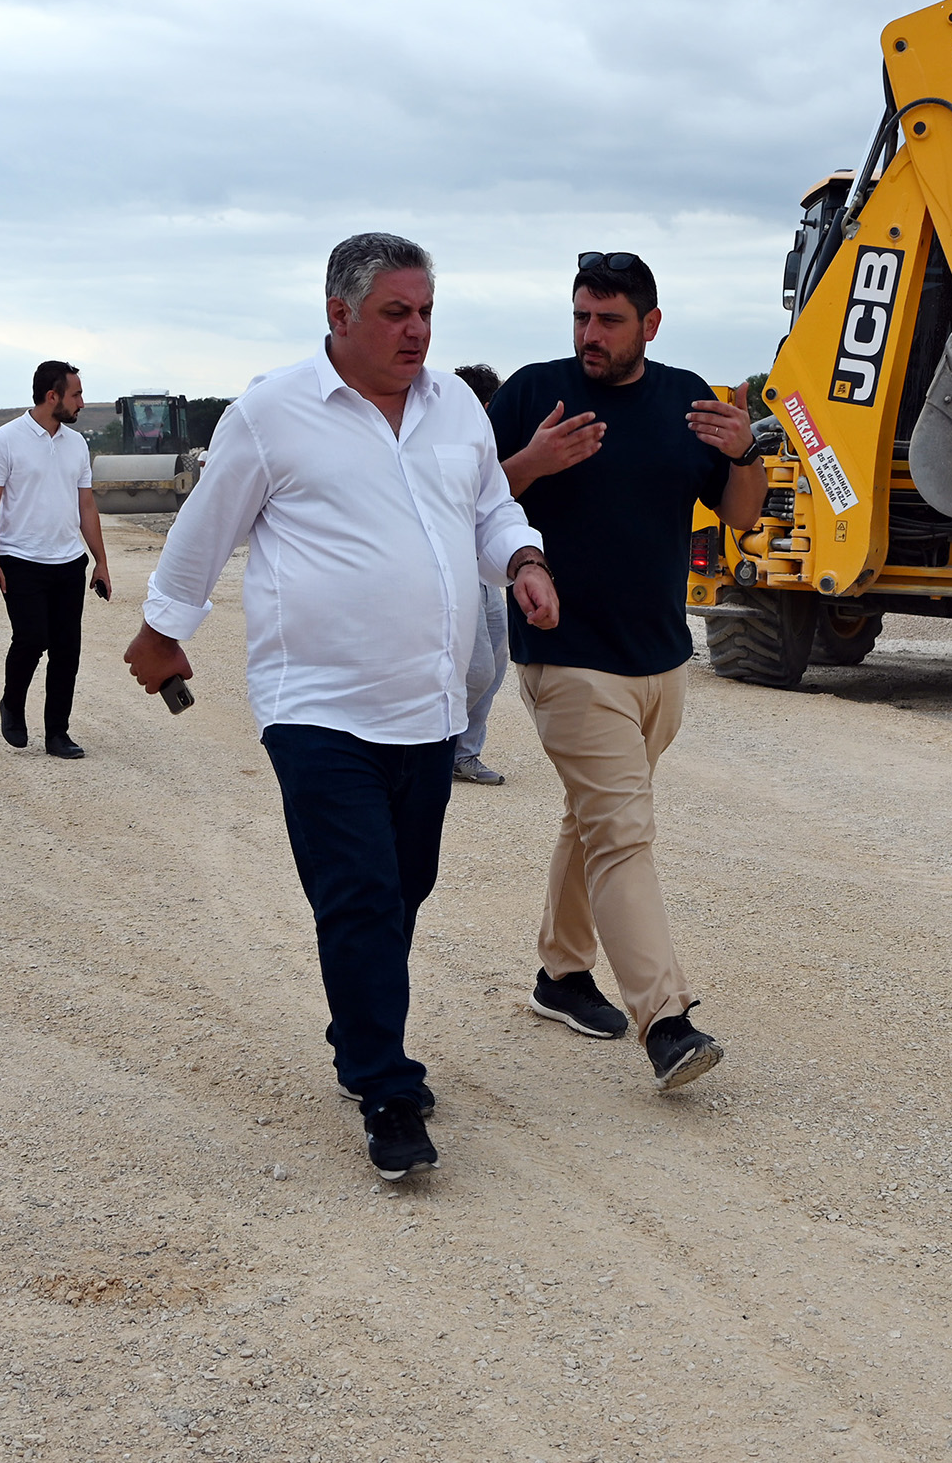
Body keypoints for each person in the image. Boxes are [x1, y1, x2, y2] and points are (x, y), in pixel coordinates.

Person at [122, 233, 560, 1182]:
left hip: (429, 705)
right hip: (315, 702)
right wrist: (163, 629)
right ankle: (386, 1089)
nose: (416, 332)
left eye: (426, 312)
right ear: (339, 314)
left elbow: (490, 509)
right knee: (359, 892)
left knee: (403, 887)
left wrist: (522, 560)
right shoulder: (272, 413)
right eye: (396, 313)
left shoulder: (457, 412)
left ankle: (360, 1023)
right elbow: (206, 529)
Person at [488, 251, 766, 1090]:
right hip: (567, 655)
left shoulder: (688, 401)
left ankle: (561, 974)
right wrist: (532, 462)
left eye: (608, 320)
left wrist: (746, 451)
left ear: (649, 323)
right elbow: (467, 502)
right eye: (580, 317)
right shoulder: (533, 395)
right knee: (622, 832)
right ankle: (666, 1021)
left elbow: (740, 515)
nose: (589, 335)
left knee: (594, 819)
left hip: (660, 661)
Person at [0, 359, 111, 759]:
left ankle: (57, 732)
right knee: (32, 638)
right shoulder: (5, 440)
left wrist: (100, 561)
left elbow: (86, 505)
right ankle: (12, 704)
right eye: (76, 395)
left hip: (69, 562)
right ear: (51, 396)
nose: (82, 403)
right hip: (20, 559)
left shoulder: (77, 443)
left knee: (67, 649)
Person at [449, 363, 511, 787]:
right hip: (456, 568)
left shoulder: (489, 442)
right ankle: (438, 744)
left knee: (498, 663)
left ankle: (465, 755)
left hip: (487, 570)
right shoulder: (448, 440)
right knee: (476, 671)